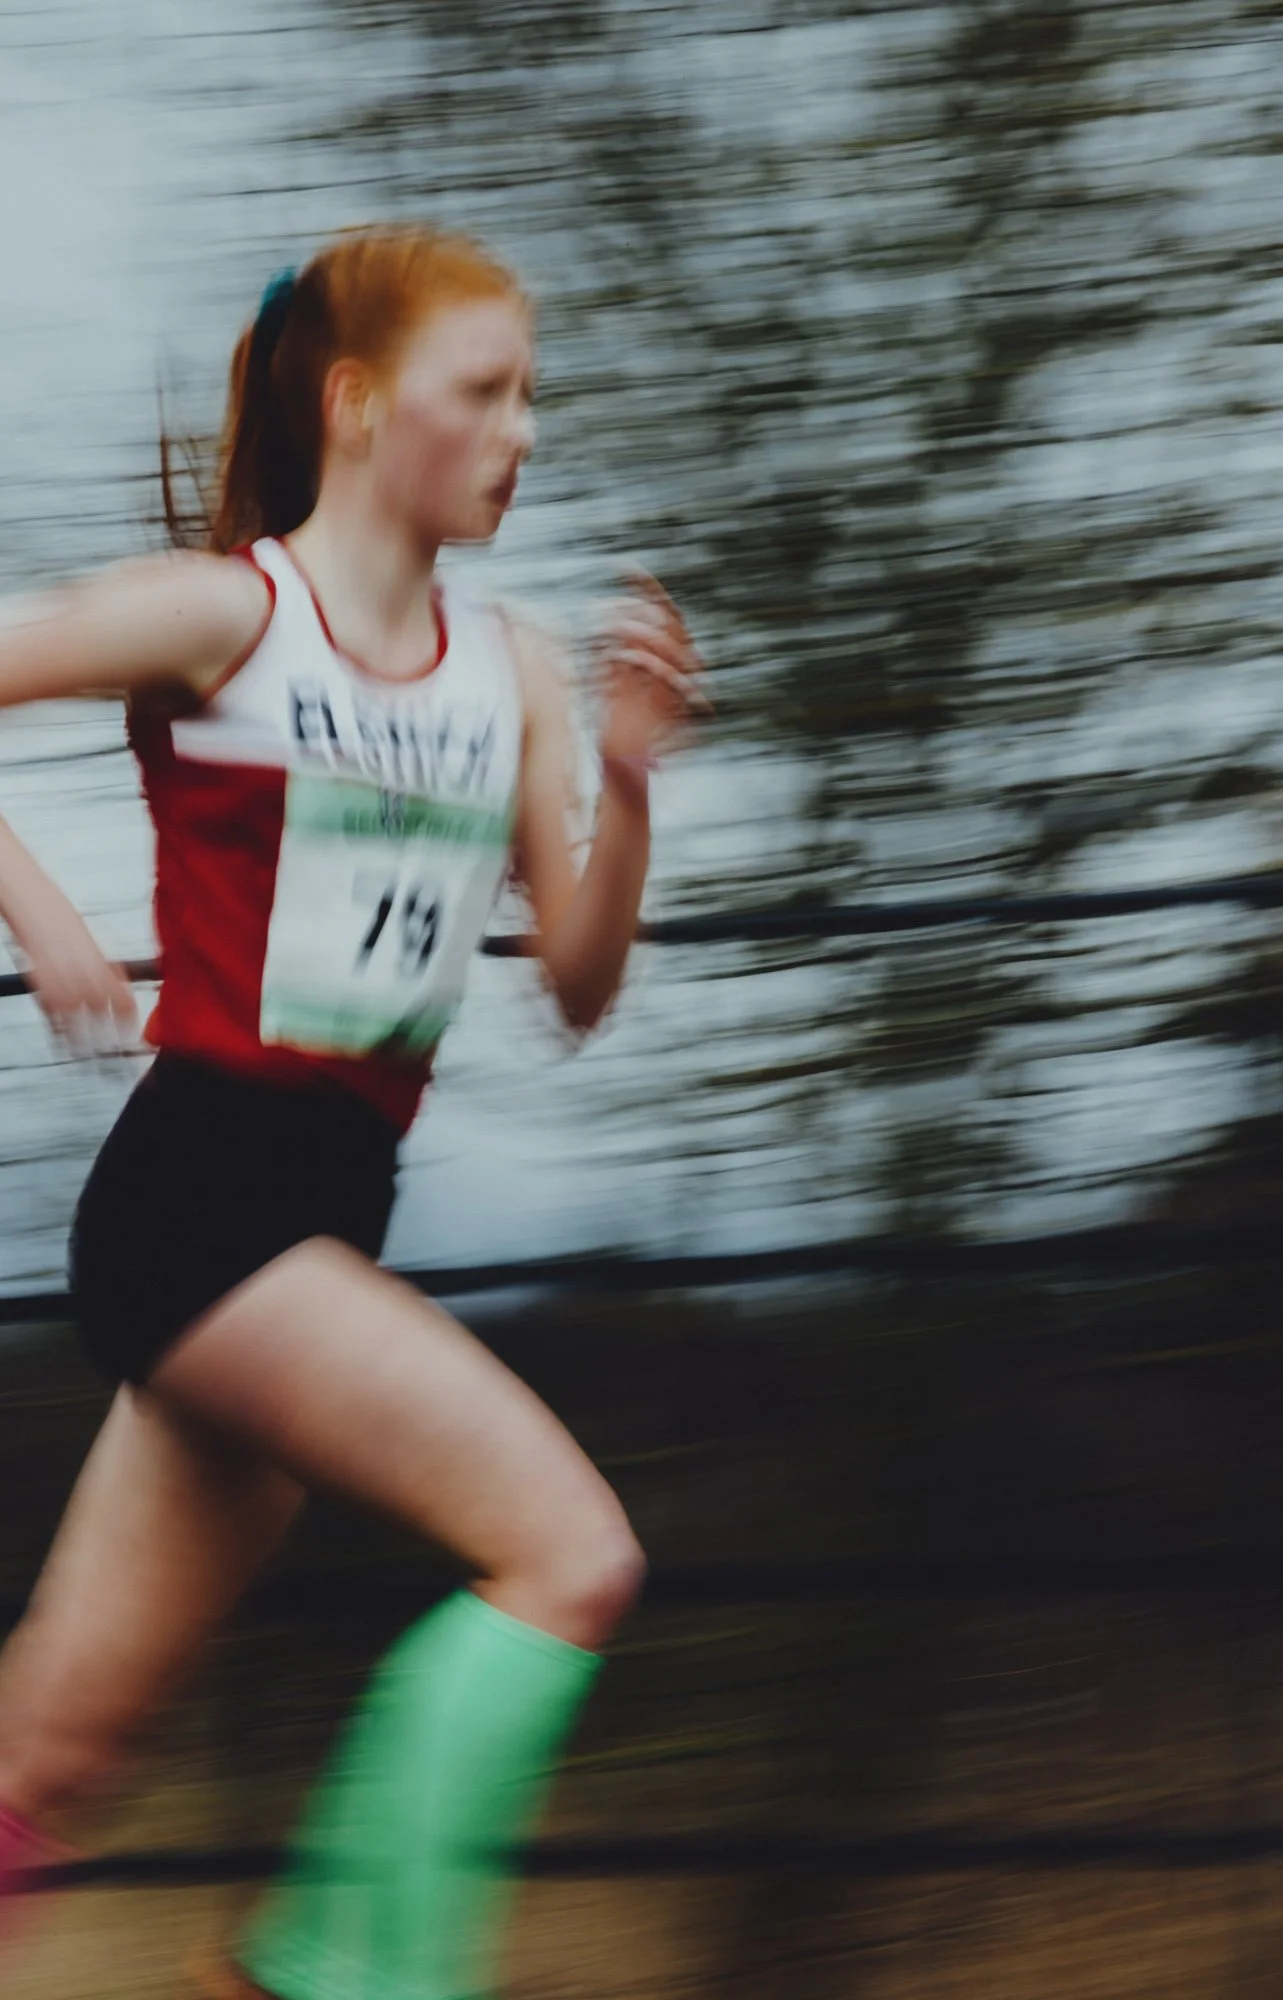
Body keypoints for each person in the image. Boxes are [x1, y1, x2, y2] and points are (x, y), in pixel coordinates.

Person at [0, 224, 705, 1998]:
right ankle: (316, 1971)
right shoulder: (230, 616)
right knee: (569, 1554)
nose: (522, 430)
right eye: (488, 391)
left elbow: (578, 986)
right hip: (199, 1217)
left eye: (532, 394)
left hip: (318, 1240)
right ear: (359, 404)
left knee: (53, 1751)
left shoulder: (509, 669)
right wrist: (44, 918)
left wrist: (625, 781)